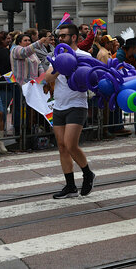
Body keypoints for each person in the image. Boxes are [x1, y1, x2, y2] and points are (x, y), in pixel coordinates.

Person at [45, 24, 95, 199]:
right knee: (61, 147)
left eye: (64, 36)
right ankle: (70, 186)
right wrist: (60, 67)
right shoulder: (56, 56)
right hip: (59, 105)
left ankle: (88, 173)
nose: (60, 39)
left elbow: (91, 78)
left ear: (74, 38)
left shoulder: (84, 56)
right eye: (59, 36)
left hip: (77, 104)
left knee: (70, 144)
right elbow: (47, 78)